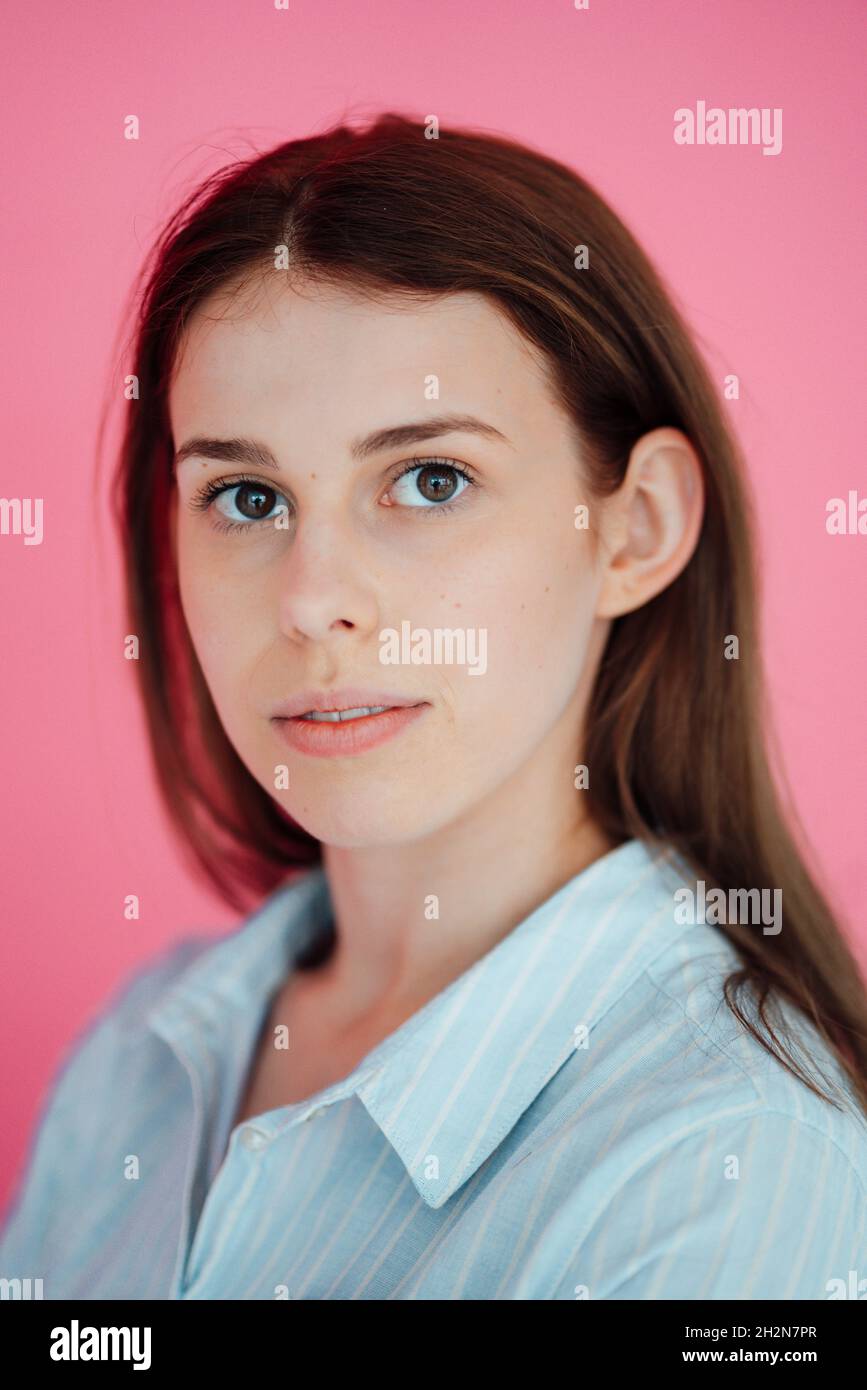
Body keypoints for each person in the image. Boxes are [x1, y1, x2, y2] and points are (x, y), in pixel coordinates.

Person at [2, 112, 866, 1300]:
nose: (313, 602)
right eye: (247, 498)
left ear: (637, 527)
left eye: (429, 479)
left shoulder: (728, 1169)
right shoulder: (140, 1056)